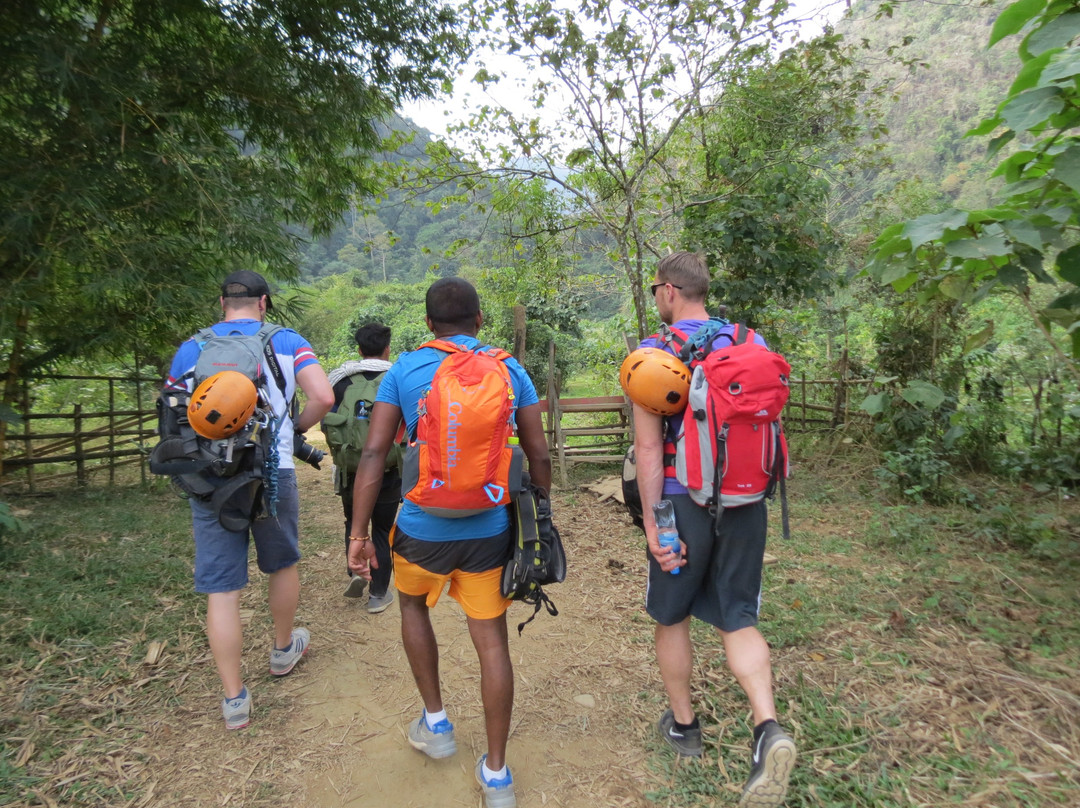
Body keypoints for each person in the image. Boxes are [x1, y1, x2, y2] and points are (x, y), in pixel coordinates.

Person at [347, 277, 551, 808]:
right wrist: (540, 518)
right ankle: (499, 775)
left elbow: (373, 456)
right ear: (481, 321)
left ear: (429, 324)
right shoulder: (511, 369)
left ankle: (436, 725)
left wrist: (358, 533)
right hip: (490, 529)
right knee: (491, 641)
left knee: (413, 607)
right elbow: (538, 454)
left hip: (420, 528)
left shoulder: (405, 370)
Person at [632, 252, 796, 807]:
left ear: (669, 293)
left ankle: (684, 727)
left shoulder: (655, 354)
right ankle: (767, 728)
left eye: (658, 289)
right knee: (739, 617)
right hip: (748, 500)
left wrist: (657, 524)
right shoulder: (751, 341)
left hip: (685, 503)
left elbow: (650, 451)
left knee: (671, 614)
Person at [164, 270, 334, 730]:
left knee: (222, 586)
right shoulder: (286, 340)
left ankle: (234, 698)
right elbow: (323, 395)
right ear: (264, 303)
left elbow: (171, 411)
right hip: (271, 469)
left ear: (222, 303)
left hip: (211, 475)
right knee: (281, 562)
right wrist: (294, 430)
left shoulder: (193, 348)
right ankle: (282, 651)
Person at [324, 322, 401, 612]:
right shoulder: (396, 378)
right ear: (387, 348)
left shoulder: (340, 380)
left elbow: (327, 419)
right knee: (382, 529)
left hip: (350, 469)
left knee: (353, 523)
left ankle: (357, 570)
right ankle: (378, 595)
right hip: (389, 469)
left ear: (359, 349)